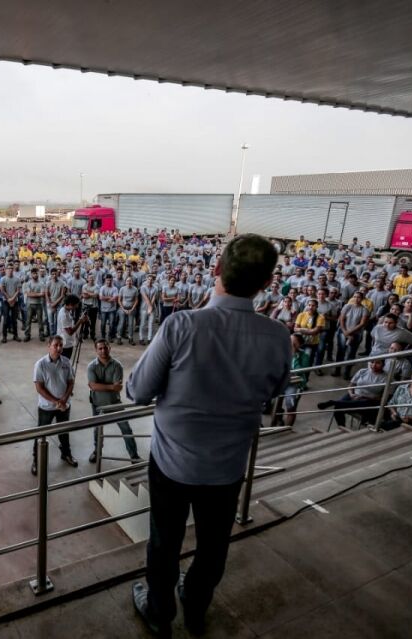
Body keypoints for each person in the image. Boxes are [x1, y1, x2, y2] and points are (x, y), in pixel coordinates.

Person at [126, 234, 290, 637]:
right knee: (214, 545)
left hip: (172, 464)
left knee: (164, 542)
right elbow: (274, 393)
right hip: (228, 465)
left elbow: (138, 390)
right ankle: (196, 606)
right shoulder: (278, 336)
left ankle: (160, 612)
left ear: (215, 269)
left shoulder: (182, 324)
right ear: (267, 284)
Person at [31, 335, 79, 475]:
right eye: (56, 345)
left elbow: (71, 382)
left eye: (61, 346)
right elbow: (39, 387)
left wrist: (64, 399)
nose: (59, 348)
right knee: (41, 433)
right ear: (49, 346)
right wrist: (55, 401)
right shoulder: (40, 364)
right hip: (46, 407)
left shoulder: (66, 362)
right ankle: (36, 460)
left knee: (64, 431)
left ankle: (66, 454)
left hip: (64, 406)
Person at [87, 339, 139, 464]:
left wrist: (100, 385)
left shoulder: (117, 365)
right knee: (97, 430)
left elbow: (118, 387)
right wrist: (110, 387)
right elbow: (93, 386)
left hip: (115, 403)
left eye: (105, 348)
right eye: (100, 348)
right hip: (97, 404)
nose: (103, 350)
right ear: (96, 350)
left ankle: (134, 456)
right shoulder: (91, 366)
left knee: (126, 429)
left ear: (109, 348)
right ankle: (97, 451)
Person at [317, 359, 388, 427]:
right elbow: (351, 386)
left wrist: (364, 397)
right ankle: (342, 427)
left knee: (342, 405)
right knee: (338, 408)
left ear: (383, 364)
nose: (374, 365)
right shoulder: (363, 371)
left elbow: (382, 398)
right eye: (372, 362)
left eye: (378, 363)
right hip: (354, 395)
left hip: (369, 401)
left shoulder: (386, 378)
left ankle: (333, 402)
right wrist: (351, 394)